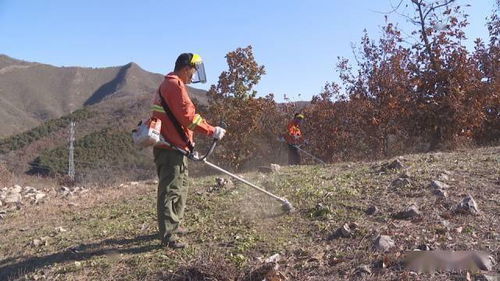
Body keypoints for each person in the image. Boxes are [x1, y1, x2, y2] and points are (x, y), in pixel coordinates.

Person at [151, 53, 226, 249]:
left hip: (175, 148)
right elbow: (189, 118)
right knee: (171, 191)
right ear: (186, 68)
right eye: (193, 71)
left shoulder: (171, 84)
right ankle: (168, 235)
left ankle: (173, 226)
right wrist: (212, 130)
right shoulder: (174, 85)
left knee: (180, 188)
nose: (193, 76)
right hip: (170, 149)